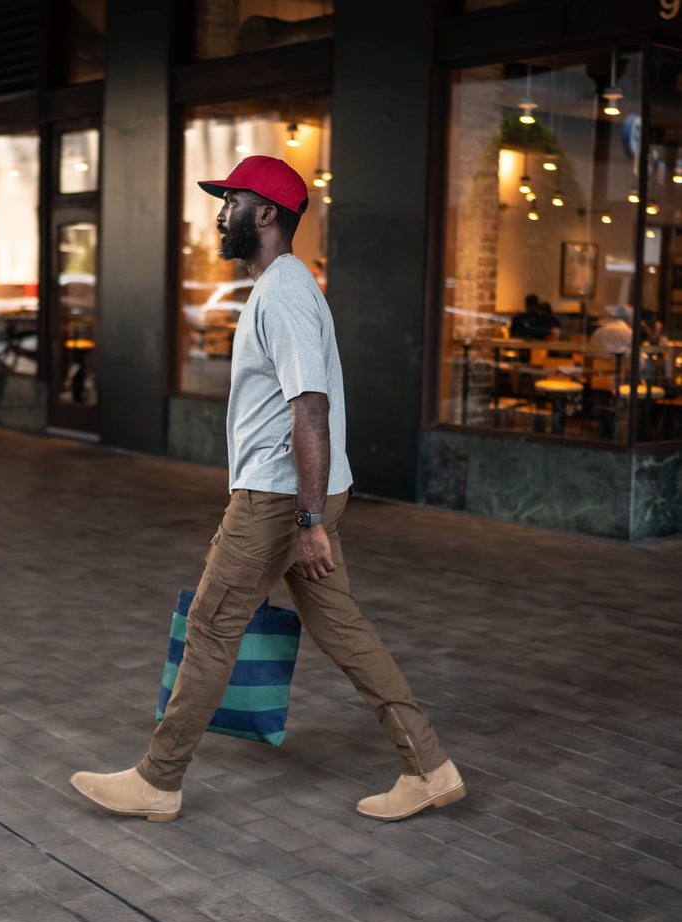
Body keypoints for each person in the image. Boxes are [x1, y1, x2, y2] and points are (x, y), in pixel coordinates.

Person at [70, 155, 465, 823]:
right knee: (342, 630)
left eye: (231, 201)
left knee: (211, 625)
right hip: (298, 498)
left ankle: (158, 781)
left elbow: (308, 408)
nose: (220, 212)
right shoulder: (284, 288)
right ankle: (428, 765)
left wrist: (306, 518)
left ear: (267, 214)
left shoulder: (281, 295)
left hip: (277, 501)